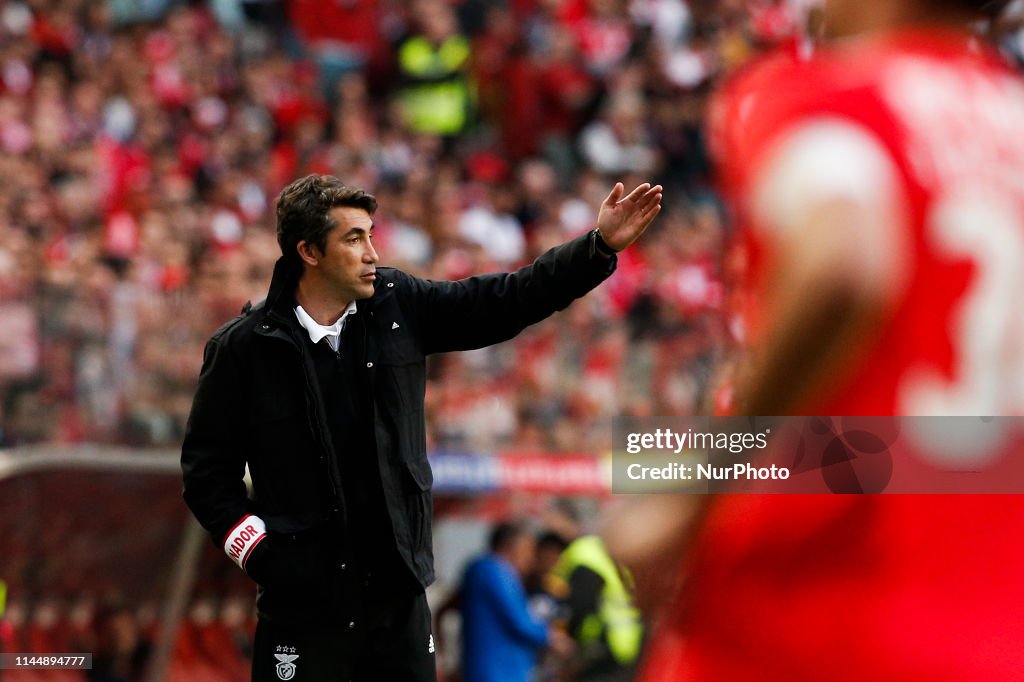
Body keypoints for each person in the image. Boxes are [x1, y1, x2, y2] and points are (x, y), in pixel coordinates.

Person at [603, 0, 1024, 679]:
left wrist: (689, 496)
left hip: (812, 610)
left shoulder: (830, 93)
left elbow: (842, 266)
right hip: (993, 626)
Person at [180, 173, 662, 681]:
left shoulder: (398, 302)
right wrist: (261, 554)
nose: (371, 251)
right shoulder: (242, 350)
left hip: (398, 603)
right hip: (303, 611)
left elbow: (505, 300)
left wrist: (597, 248)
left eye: (370, 234)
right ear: (308, 251)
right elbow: (207, 477)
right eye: (353, 238)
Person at [459, 521, 572, 682]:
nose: (531, 559)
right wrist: (554, 637)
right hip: (496, 673)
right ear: (511, 547)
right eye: (527, 550)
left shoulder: (490, 572)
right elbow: (522, 622)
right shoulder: (492, 570)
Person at [549, 535, 643, 682]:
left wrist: (566, 639)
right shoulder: (618, 554)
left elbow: (580, 605)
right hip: (629, 643)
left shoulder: (586, 553)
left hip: (603, 643)